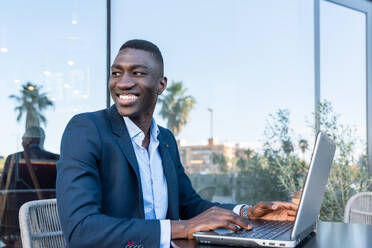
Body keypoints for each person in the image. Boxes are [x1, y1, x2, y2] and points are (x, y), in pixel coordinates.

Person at [56, 39, 298, 248]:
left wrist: (246, 212)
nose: (123, 83)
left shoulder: (165, 140)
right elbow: (81, 230)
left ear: (161, 84)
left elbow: (190, 205)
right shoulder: (86, 130)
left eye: (137, 73)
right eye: (116, 73)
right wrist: (181, 228)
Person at [0, 126, 59, 190]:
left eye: (23, 139)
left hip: (18, 199)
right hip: (47, 199)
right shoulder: (56, 158)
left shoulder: (12, 158)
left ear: (29, 140)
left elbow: (3, 184)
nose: (22, 142)